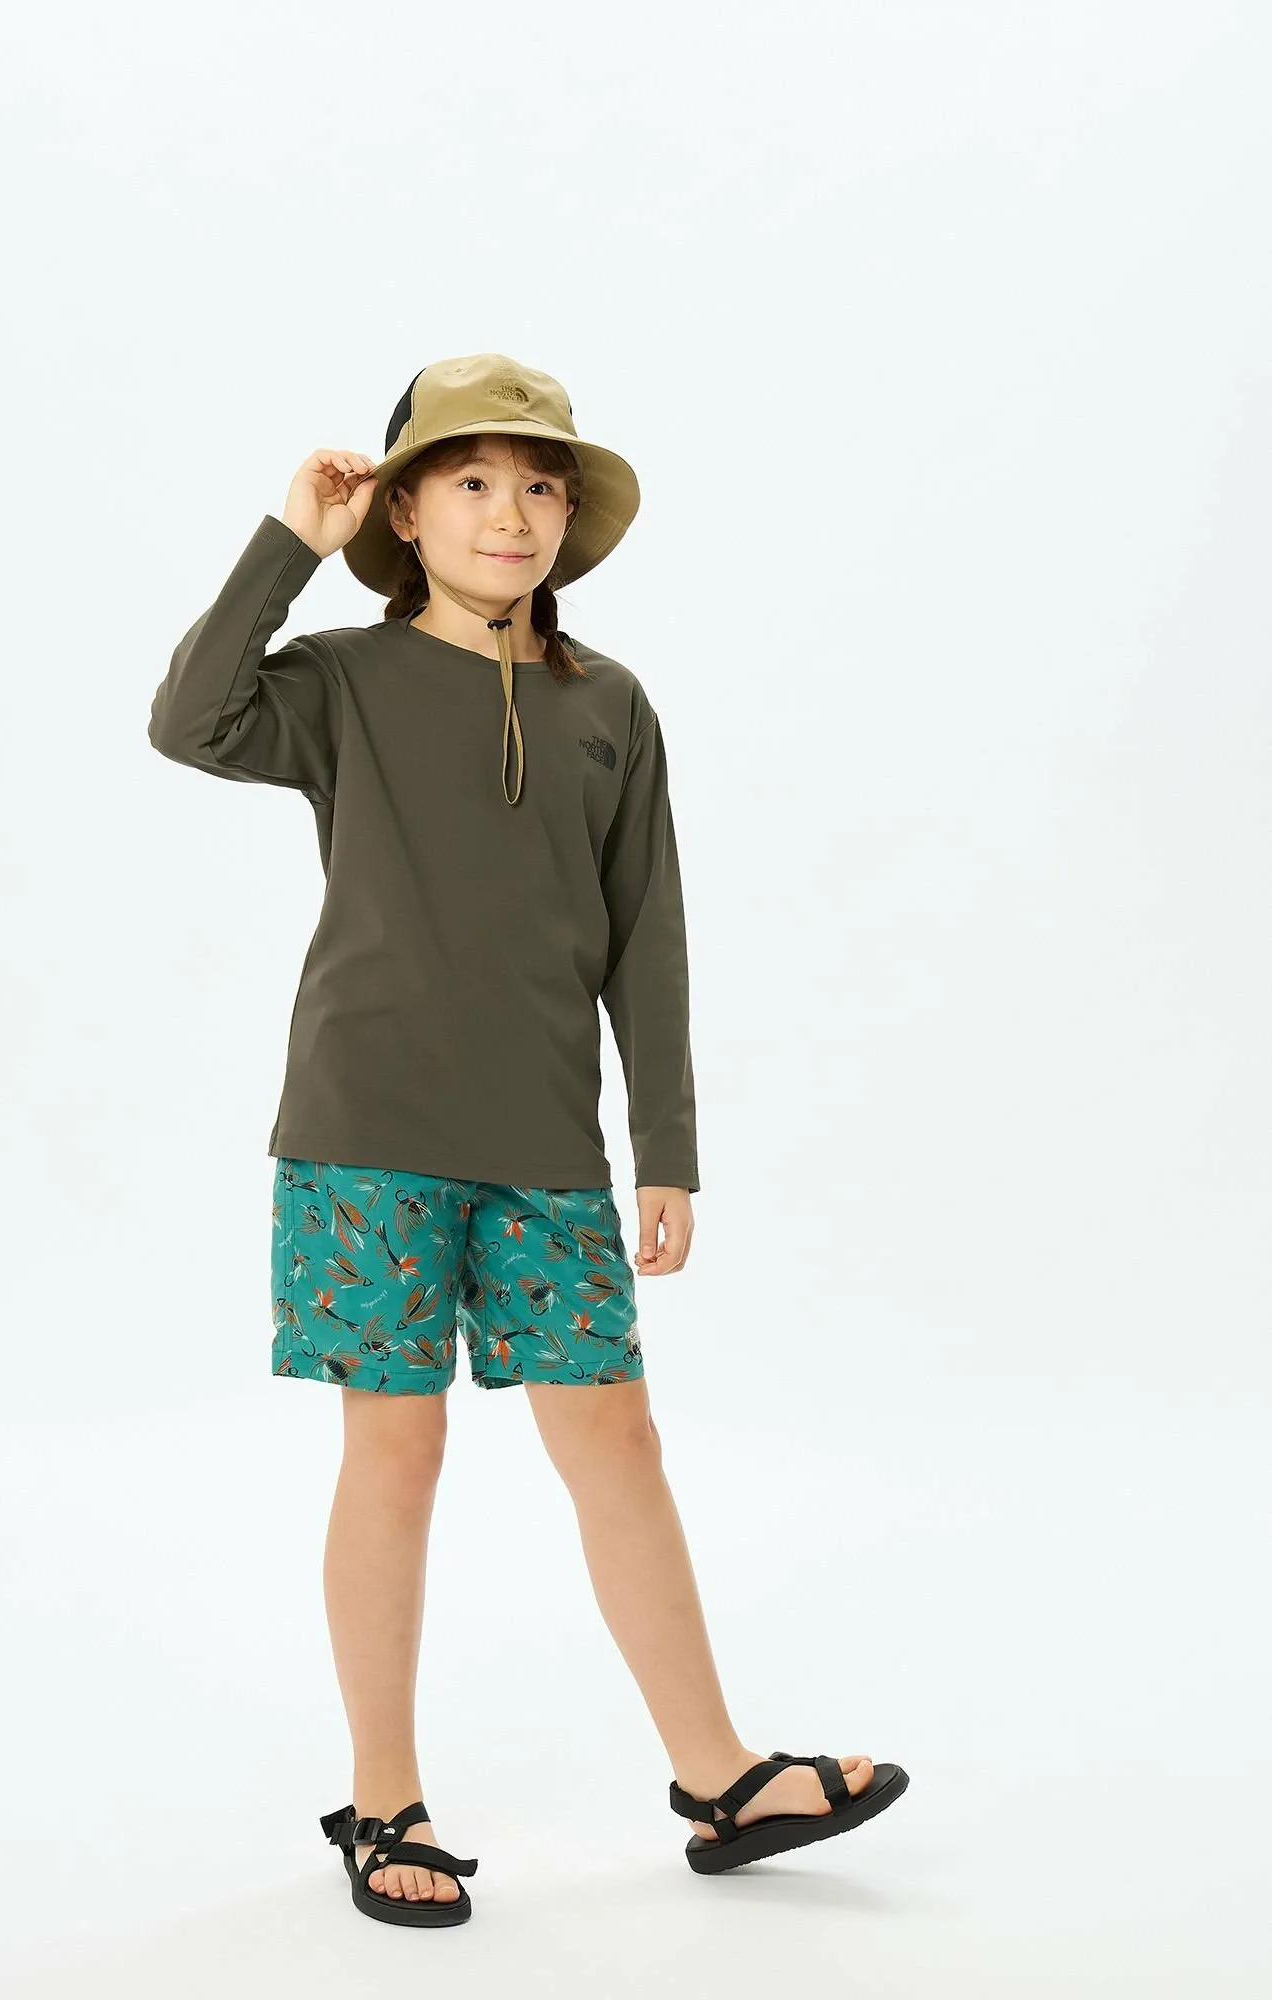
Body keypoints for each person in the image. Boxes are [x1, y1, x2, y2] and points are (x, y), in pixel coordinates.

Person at [148, 354, 908, 1927]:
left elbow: (648, 934)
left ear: (570, 518)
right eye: (475, 482)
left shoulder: (608, 705)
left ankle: (719, 1776)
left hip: (548, 1145)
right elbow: (188, 720)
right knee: (397, 1450)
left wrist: (668, 1143)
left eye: (542, 485)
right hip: (366, 1135)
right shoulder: (340, 683)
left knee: (617, 1440)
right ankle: (383, 1799)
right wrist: (288, 544)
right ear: (407, 512)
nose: (513, 513)